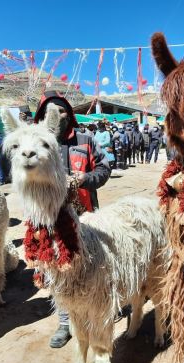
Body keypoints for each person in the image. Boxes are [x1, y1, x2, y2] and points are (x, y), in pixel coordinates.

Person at [34, 91, 110, 349]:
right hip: (49, 222)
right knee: (57, 272)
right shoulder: (35, 143)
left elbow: (104, 169)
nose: (56, 115)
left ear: (70, 113)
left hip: (86, 216)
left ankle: (95, 311)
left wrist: (84, 179)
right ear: (41, 116)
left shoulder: (86, 140)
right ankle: (66, 322)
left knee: (90, 267)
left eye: (61, 110)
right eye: (49, 111)